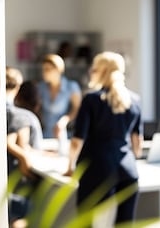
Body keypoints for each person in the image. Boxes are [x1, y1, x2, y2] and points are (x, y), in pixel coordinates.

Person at [65, 51, 143, 225]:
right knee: (125, 224)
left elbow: (77, 140)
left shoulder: (92, 99)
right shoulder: (135, 100)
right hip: (128, 169)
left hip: (96, 169)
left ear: (103, 71)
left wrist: (70, 166)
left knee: (87, 222)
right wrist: (134, 156)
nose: (91, 72)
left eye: (94, 69)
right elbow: (137, 142)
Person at [6, 67, 42, 227]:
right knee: (20, 219)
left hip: (2, 178)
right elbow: (19, 146)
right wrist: (25, 160)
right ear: (18, 86)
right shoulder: (21, 116)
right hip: (18, 179)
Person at [37, 54, 82, 143]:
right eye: (43, 69)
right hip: (45, 134)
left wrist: (65, 120)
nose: (44, 73)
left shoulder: (71, 86)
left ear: (58, 70)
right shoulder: (41, 87)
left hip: (64, 134)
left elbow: (77, 109)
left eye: (48, 69)